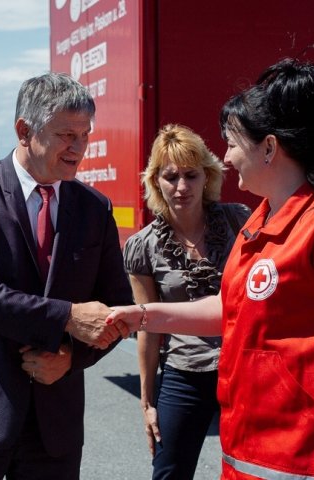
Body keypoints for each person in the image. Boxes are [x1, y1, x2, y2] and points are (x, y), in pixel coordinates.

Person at [108, 58, 314, 480]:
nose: (227, 158)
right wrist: (138, 316)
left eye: (232, 143)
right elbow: (230, 309)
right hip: (258, 452)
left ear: (268, 148)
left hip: (310, 458)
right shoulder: (262, 218)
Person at [0, 72, 132, 480]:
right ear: (24, 130)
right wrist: (66, 317)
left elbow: (114, 307)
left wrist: (71, 359)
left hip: (53, 425)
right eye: (67, 134)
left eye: (85, 134)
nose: (79, 148)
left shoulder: (94, 208)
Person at [123, 124, 250, 479]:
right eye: (171, 176)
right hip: (184, 373)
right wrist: (147, 402)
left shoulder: (239, 220)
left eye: (191, 175)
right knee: (169, 473)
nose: (181, 187)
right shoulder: (143, 246)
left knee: (255, 469)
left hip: (243, 368)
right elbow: (148, 328)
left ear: (207, 176)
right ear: (155, 181)